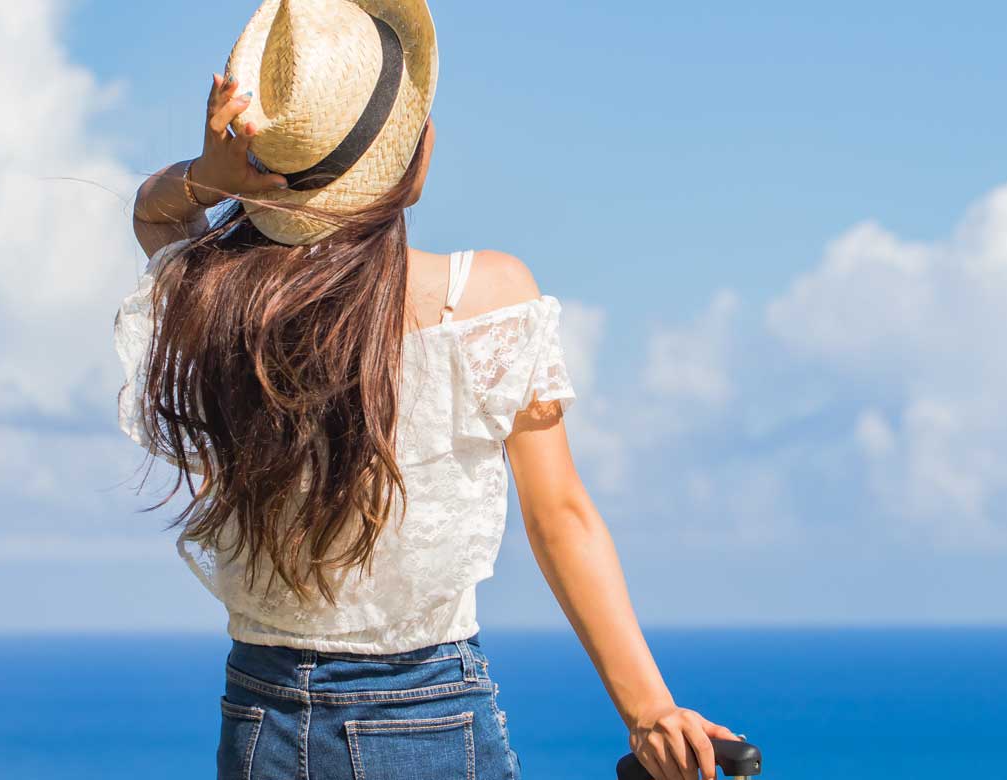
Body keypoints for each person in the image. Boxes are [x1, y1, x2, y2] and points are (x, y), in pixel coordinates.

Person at [115, 2, 734, 778]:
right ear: (418, 153)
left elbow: (153, 210)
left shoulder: (218, 296)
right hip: (426, 714)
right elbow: (561, 517)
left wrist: (209, 178)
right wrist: (650, 712)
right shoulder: (483, 299)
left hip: (259, 718)